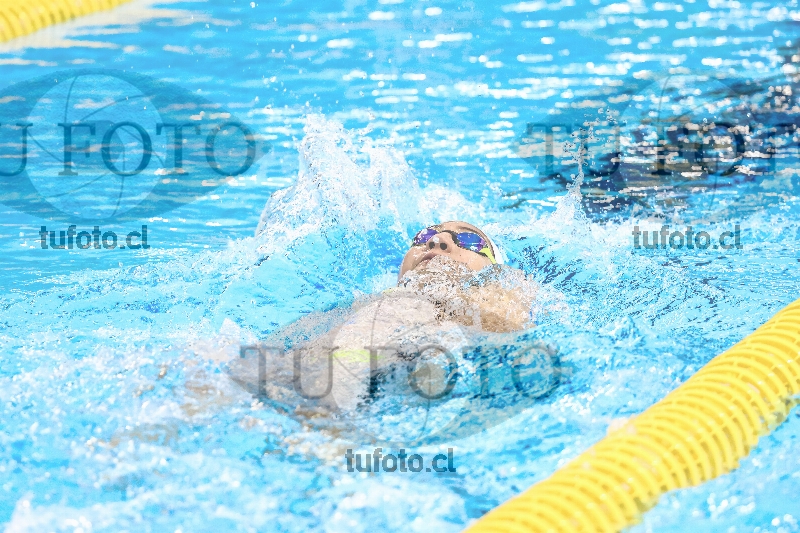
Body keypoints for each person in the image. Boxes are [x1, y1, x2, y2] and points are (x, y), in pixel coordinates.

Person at [229, 221, 557, 442]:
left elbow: (511, 328)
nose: (438, 241)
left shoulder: (484, 301)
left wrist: (499, 289)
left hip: (359, 395)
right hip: (283, 372)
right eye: (423, 238)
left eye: (469, 241)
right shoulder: (364, 301)